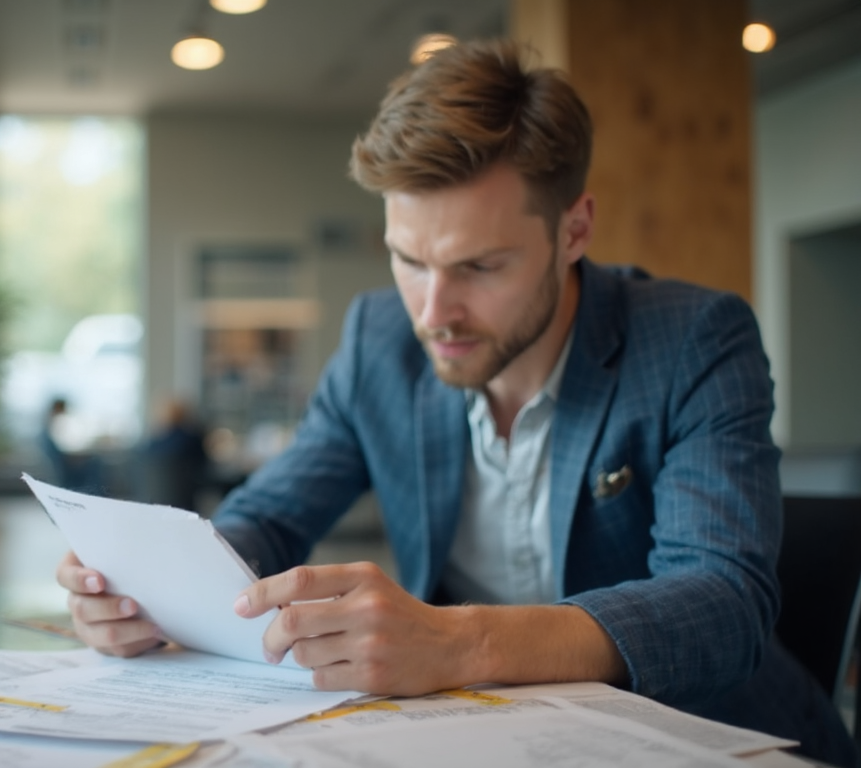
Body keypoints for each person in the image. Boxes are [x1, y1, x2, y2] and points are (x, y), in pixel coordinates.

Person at [56, 40, 855, 765]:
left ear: (574, 229)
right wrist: (152, 591)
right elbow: (267, 519)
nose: (434, 312)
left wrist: (458, 641)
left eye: (480, 267)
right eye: (409, 259)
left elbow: (722, 604)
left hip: (710, 740)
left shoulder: (695, 341)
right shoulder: (380, 338)